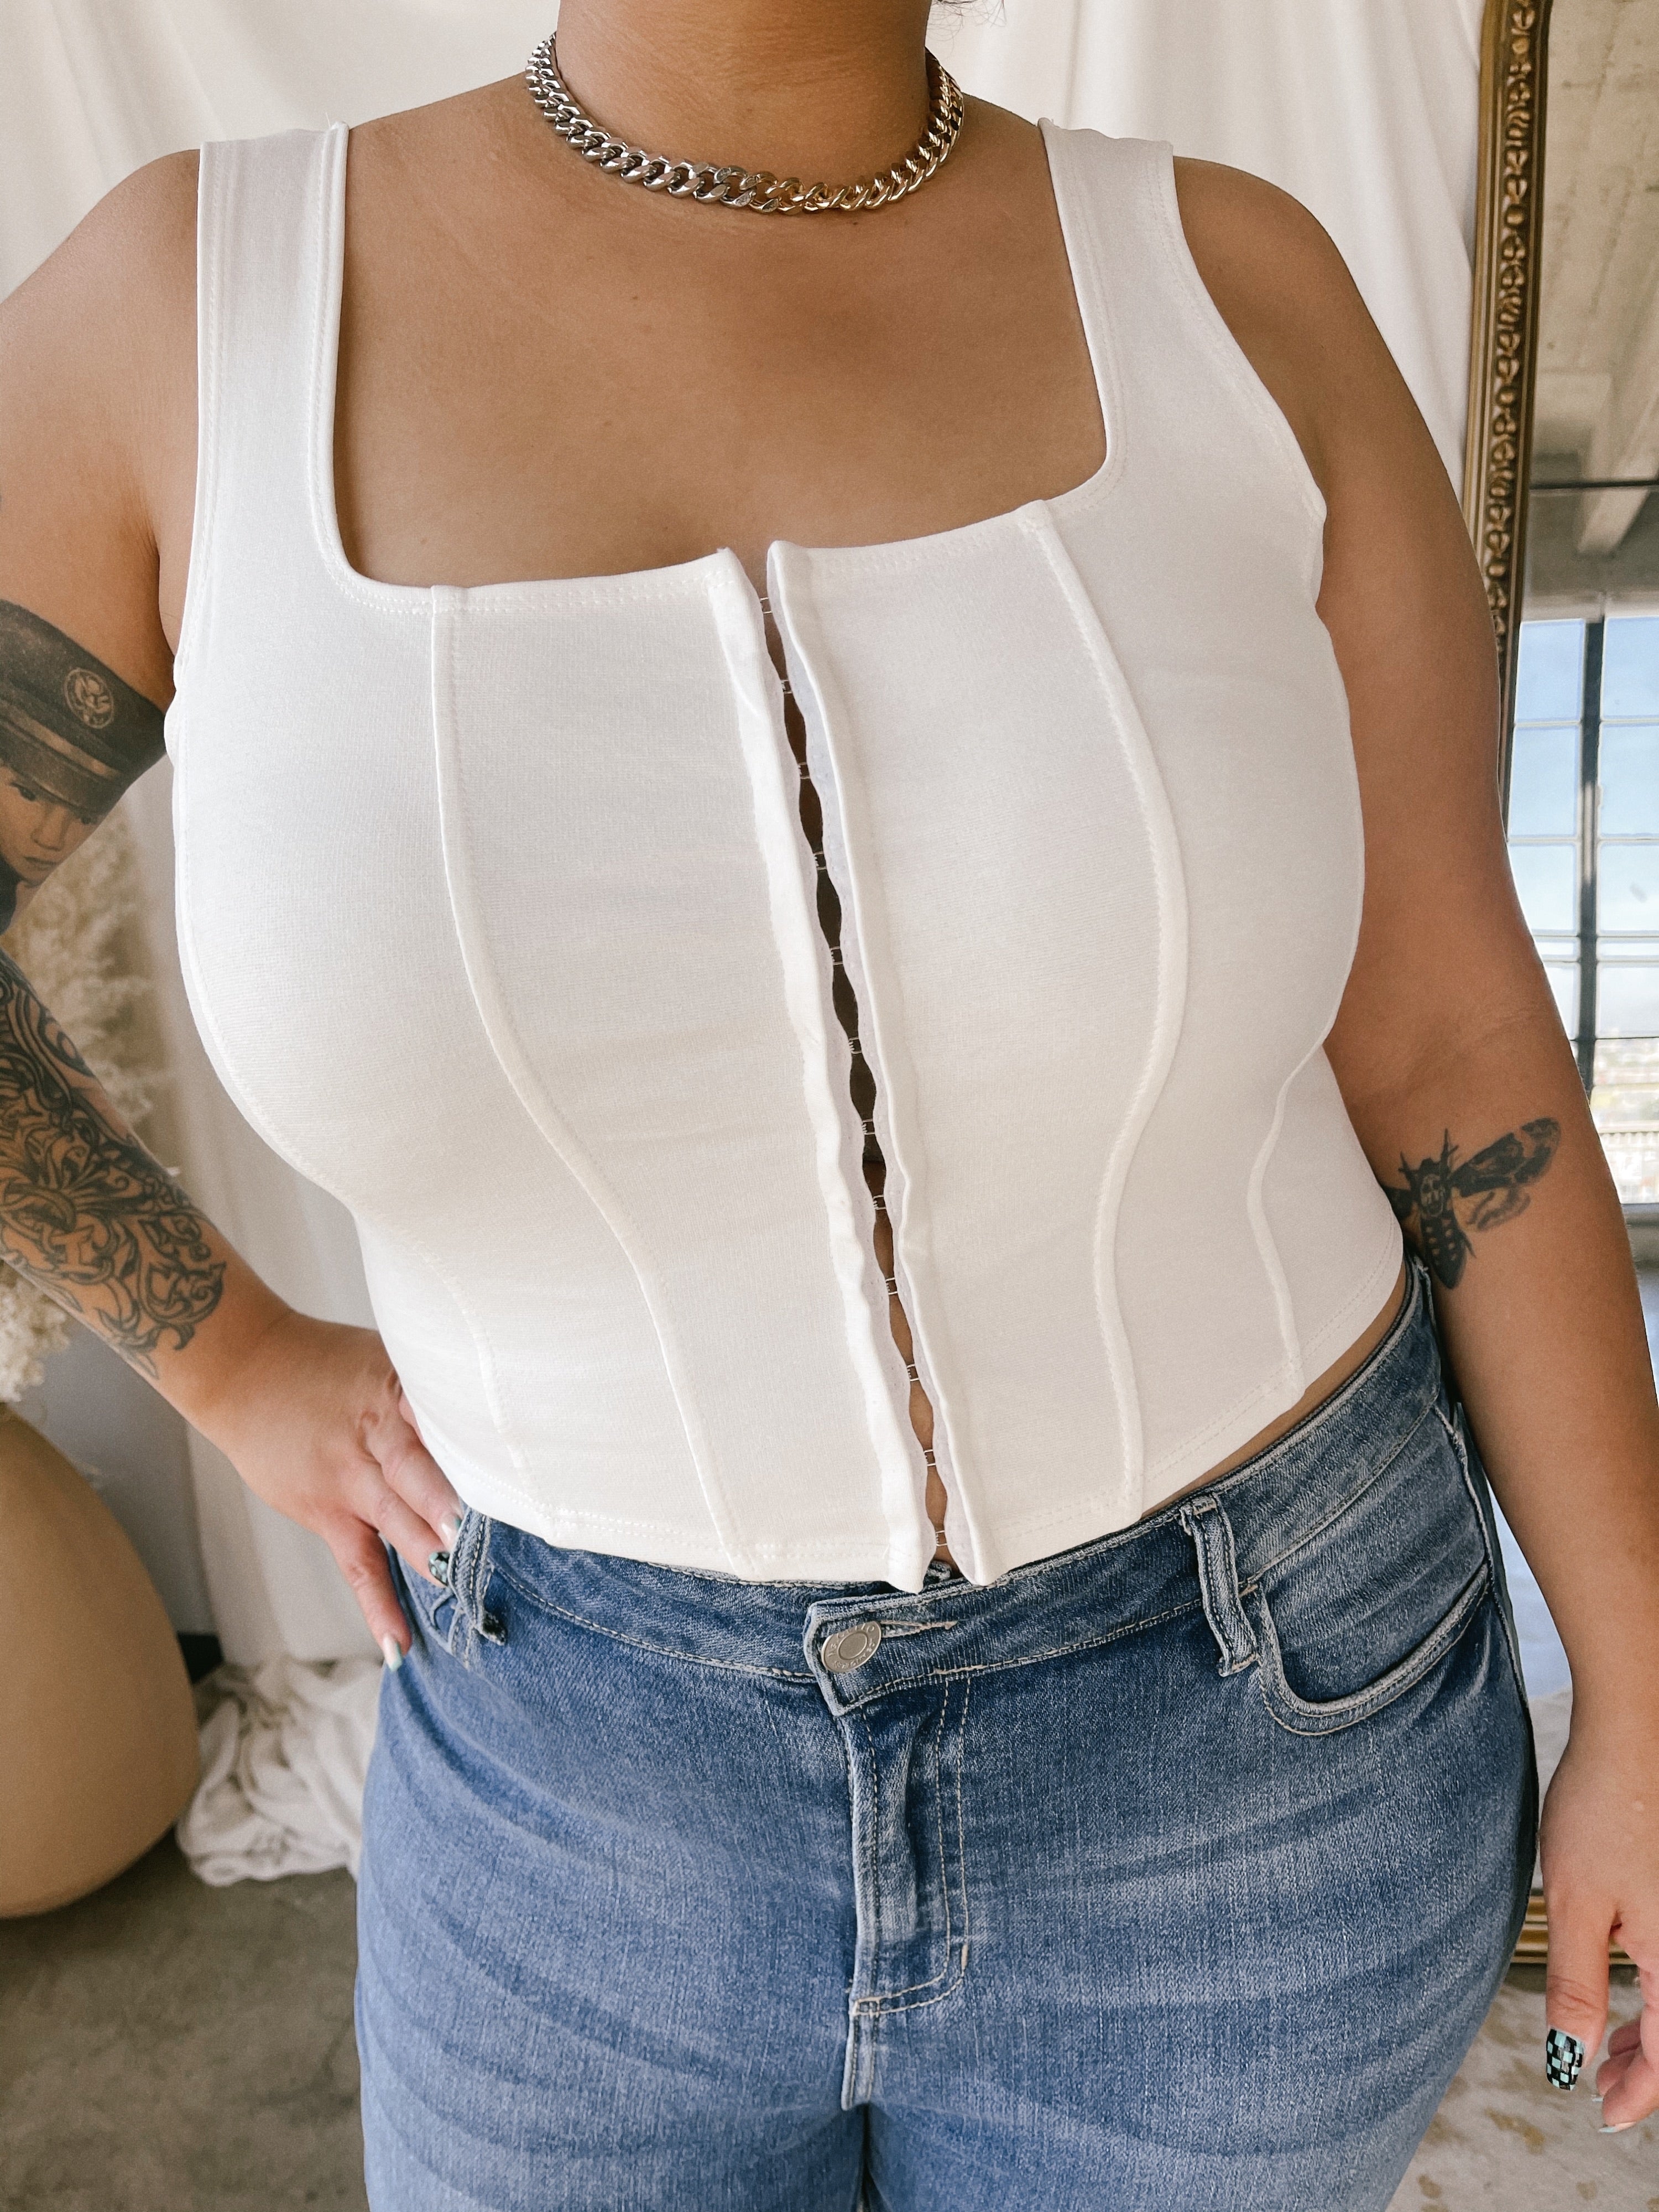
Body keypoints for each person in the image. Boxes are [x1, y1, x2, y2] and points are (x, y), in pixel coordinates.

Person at [0, 1, 1653, 2203]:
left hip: (1272, 1743)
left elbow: (1452, 1039)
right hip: (574, 1787)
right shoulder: (184, 317)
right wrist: (232, 1364)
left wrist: (1643, 1680)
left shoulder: (1237, 289)